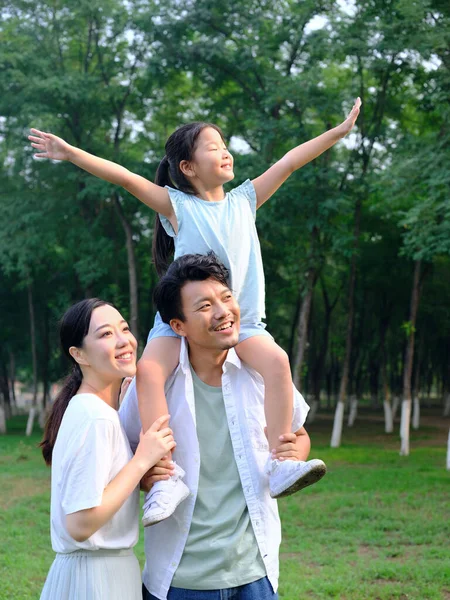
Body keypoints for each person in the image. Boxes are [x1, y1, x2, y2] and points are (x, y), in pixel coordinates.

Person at [29, 97, 360, 524]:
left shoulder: (245, 199)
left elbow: (291, 162)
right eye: (213, 146)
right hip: (179, 324)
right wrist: (70, 152)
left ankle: (279, 463)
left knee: (277, 361)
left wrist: (337, 133)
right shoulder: (178, 207)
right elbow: (126, 178)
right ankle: (166, 475)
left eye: (225, 145)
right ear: (187, 167)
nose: (225, 152)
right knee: (148, 372)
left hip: (245, 323)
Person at [119, 252, 315, 600]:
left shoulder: (259, 373)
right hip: (181, 579)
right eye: (205, 305)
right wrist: (148, 474)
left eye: (226, 298)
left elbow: (298, 435)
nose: (224, 312)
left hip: (255, 574)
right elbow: (127, 457)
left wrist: (289, 454)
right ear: (178, 326)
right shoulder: (156, 385)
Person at [39, 298, 175, 600]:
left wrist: (136, 478)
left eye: (124, 329)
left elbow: (95, 493)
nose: (124, 340)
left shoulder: (97, 411)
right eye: (105, 334)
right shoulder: (94, 416)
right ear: (79, 354)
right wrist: (141, 461)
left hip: (100, 574)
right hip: (96, 581)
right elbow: (80, 522)